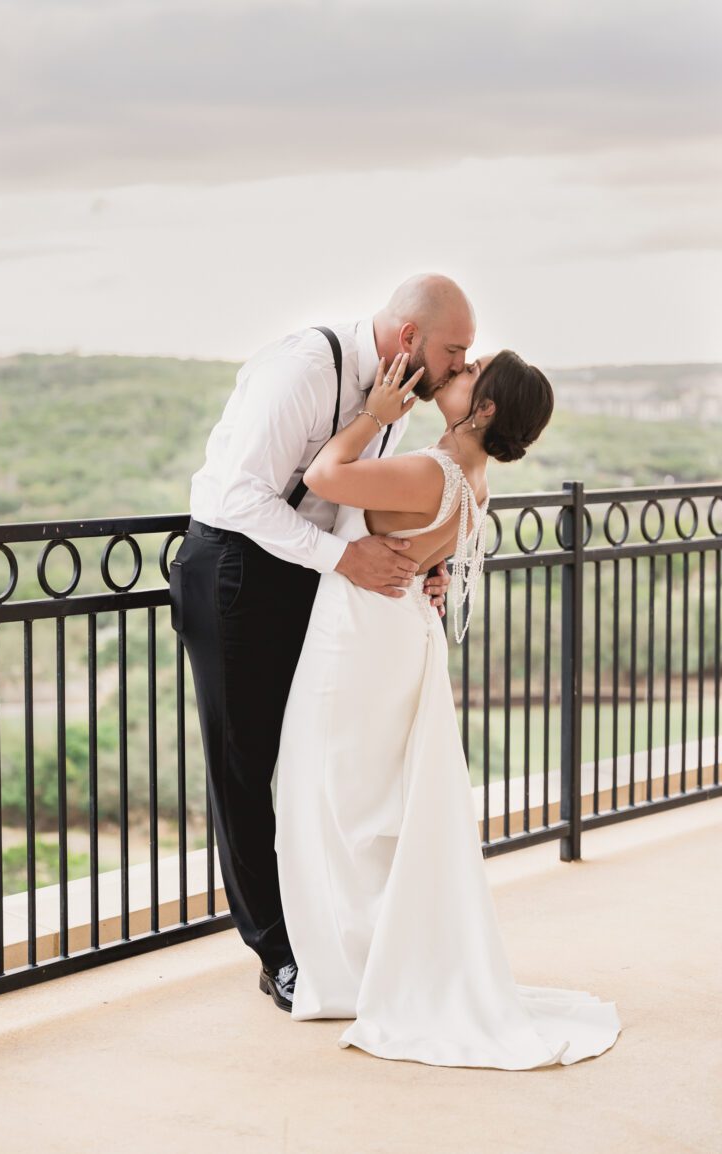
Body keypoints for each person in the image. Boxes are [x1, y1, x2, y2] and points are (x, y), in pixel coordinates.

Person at [274, 349, 623, 1068]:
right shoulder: (471, 478)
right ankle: (366, 955)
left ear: (484, 408)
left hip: (360, 638)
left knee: (339, 797)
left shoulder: (432, 470)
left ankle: (356, 967)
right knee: (369, 799)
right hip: (399, 630)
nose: (454, 375)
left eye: (470, 373)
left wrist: (375, 415)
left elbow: (321, 477)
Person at [170, 274, 476, 1009]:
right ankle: (276, 952)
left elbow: (354, 502)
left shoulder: (397, 395)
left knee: (314, 755)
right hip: (234, 571)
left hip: (303, 573)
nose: (461, 365)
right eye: (455, 350)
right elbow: (243, 496)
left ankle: (325, 931)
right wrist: (344, 560)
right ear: (410, 339)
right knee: (244, 768)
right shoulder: (304, 368)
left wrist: (420, 565)